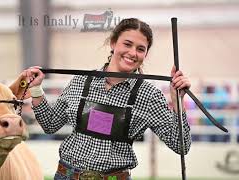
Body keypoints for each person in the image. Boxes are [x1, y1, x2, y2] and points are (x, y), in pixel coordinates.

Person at [13, 18, 192, 180]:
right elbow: (51, 124)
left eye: (140, 49)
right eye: (127, 44)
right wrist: (36, 89)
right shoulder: (81, 81)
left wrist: (177, 104)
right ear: (113, 44)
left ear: (145, 54)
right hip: (67, 176)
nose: (132, 53)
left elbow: (181, 146)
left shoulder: (149, 95)